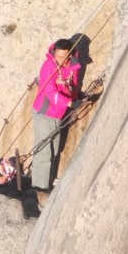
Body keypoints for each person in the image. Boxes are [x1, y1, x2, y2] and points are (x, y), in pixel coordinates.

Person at [31, 39, 81, 191]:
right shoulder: (49, 66)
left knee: (55, 148)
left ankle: (48, 180)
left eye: (63, 57)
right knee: (44, 150)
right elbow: (50, 91)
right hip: (45, 112)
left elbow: (73, 85)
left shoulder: (73, 66)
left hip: (58, 113)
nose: (59, 60)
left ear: (70, 54)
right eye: (57, 56)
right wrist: (69, 104)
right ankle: (39, 188)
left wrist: (75, 98)